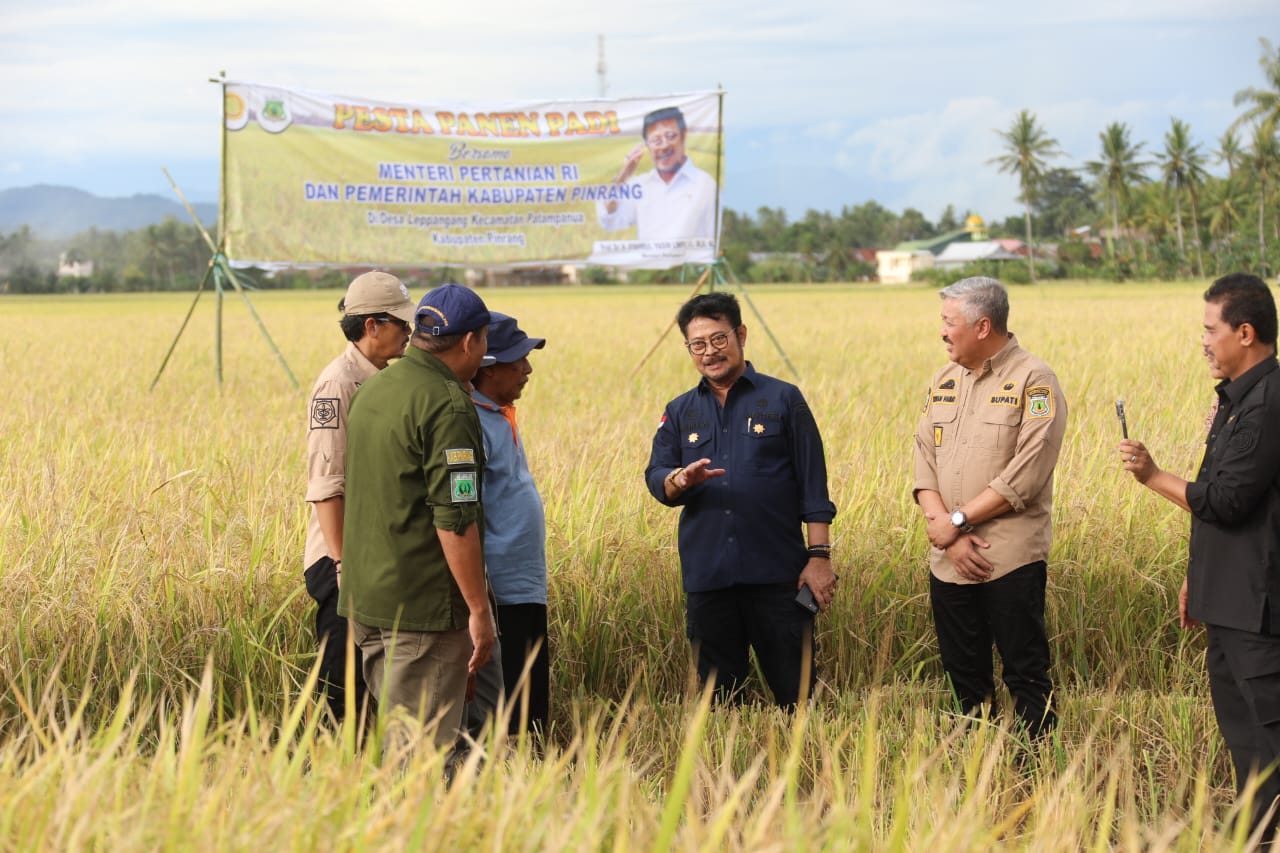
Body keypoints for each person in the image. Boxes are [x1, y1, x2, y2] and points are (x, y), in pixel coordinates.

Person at [1120, 273, 1280, 841]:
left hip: (1257, 609)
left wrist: (1152, 475)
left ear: (1245, 332)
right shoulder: (1237, 400)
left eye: (1211, 330)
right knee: (1247, 745)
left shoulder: (1268, 403)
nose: (1204, 341)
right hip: (1226, 600)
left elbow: (1228, 501)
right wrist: (1197, 579)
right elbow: (1215, 512)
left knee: (1269, 739)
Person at [644, 292, 837, 707]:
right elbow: (656, 477)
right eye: (698, 344)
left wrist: (819, 556)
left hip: (778, 576)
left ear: (741, 335)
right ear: (689, 349)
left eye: (718, 339)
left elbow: (813, 484)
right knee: (720, 701)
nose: (709, 352)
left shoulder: (784, 399)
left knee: (798, 695)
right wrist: (679, 478)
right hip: (708, 578)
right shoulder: (679, 412)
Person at [338, 282, 497, 759]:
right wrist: (478, 610)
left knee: (398, 742)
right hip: (423, 609)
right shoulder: (447, 403)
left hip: (369, 602)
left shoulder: (377, 387)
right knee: (420, 759)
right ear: (470, 342)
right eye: (485, 340)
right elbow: (455, 518)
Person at [912, 276, 1067, 740]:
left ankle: (1034, 769)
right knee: (963, 677)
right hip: (948, 558)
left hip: (1009, 559)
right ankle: (976, 768)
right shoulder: (943, 380)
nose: (941, 331)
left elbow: (1029, 471)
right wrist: (946, 531)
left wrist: (958, 522)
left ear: (983, 326)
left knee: (1025, 674)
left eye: (948, 322)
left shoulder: (1035, 380)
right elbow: (923, 457)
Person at [303, 270, 415, 722]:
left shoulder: (383, 377)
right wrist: (345, 565)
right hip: (343, 561)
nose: (409, 332)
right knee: (342, 686)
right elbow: (326, 483)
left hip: (374, 557)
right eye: (401, 323)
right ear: (372, 326)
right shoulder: (339, 384)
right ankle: (333, 773)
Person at [468, 312, 550, 738]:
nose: (527, 369)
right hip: (498, 590)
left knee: (531, 701)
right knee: (508, 709)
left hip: (524, 584)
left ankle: (530, 779)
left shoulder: (500, 414)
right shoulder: (469, 422)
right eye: (518, 359)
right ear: (487, 365)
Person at [596, 105, 717, 243]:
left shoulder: (705, 184)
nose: (664, 146)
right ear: (647, 145)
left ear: (683, 135)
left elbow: (713, 239)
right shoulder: (640, 186)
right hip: (649, 264)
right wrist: (622, 176)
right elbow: (608, 220)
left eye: (671, 136)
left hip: (689, 264)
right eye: (656, 140)